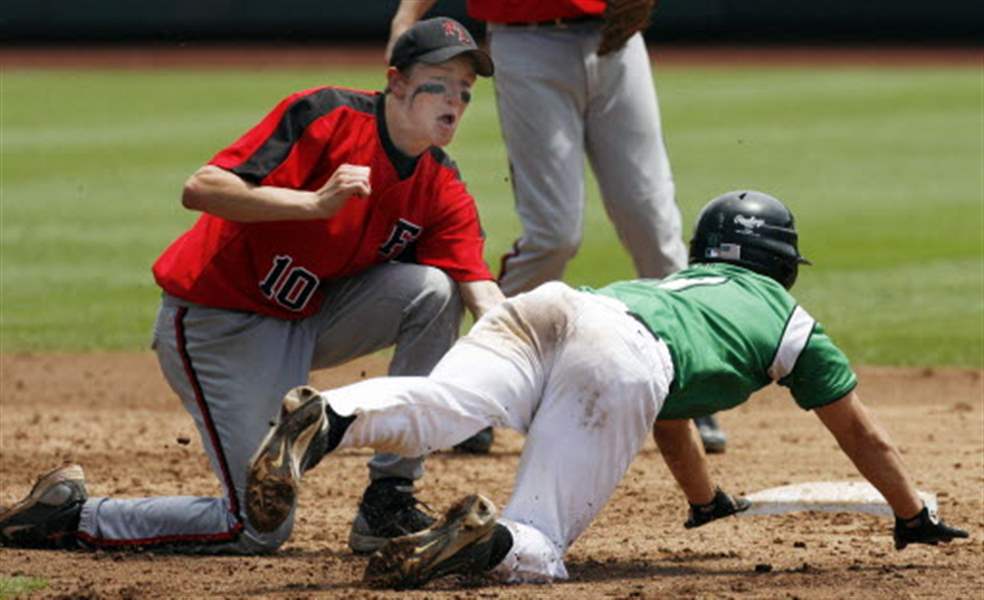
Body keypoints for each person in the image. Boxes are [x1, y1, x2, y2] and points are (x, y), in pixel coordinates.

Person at [242, 190, 968, 587]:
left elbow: (671, 419)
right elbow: (859, 432)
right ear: (783, 264)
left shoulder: (676, 285)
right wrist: (910, 515)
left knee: (441, 410)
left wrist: (704, 502)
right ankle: (484, 541)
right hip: (624, 357)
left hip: (562, 307)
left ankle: (329, 413)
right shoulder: (791, 321)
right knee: (542, 544)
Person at [0, 17, 506, 555]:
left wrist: (527, 353)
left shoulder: (440, 183)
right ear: (397, 82)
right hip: (216, 322)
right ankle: (71, 518)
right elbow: (201, 188)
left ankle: (389, 499)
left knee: (435, 290)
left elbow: (479, 289)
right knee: (257, 527)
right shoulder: (328, 116)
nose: (454, 99)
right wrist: (313, 204)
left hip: (305, 320)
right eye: (439, 83)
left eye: (465, 91)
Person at [385, 0, 728, 454]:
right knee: (553, 234)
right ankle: (480, 380)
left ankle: (688, 382)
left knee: (653, 224)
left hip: (615, 39)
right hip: (526, 40)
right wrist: (406, 16)